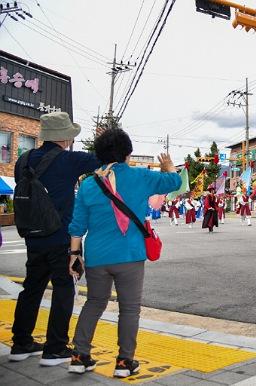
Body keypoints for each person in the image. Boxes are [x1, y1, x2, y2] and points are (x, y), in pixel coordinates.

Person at [67, 129, 181, 377]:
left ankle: (79, 356)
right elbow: (175, 182)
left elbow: (77, 226)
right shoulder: (140, 176)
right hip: (130, 255)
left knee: (94, 303)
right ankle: (123, 362)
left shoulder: (88, 184)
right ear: (128, 153)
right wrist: (170, 166)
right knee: (129, 309)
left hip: (97, 256)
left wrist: (74, 255)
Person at [10, 112, 101, 365]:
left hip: (32, 235)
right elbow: (102, 159)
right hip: (60, 236)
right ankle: (55, 347)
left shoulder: (24, 160)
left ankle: (21, 343)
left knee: (32, 287)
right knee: (63, 289)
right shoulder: (69, 160)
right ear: (64, 137)